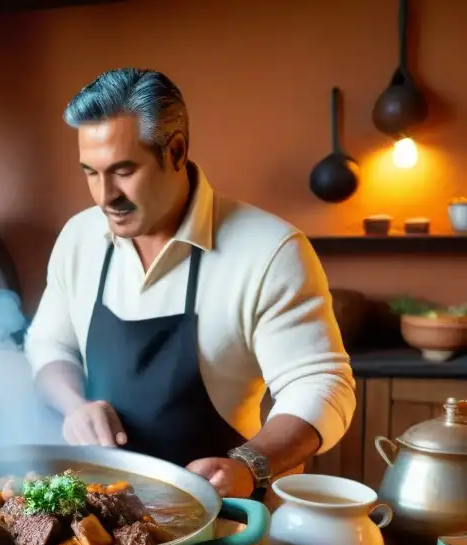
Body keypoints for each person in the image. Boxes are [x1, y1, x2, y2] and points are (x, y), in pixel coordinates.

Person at [24, 69, 356, 499]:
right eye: (91, 172)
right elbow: (49, 346)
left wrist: (248, 464)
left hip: (219, 521)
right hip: (96, 512)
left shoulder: (268, 250)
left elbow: (321, 384)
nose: (105, 196)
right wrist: (75, 406)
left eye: (124, 171)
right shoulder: (80, 237)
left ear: (176, 151)